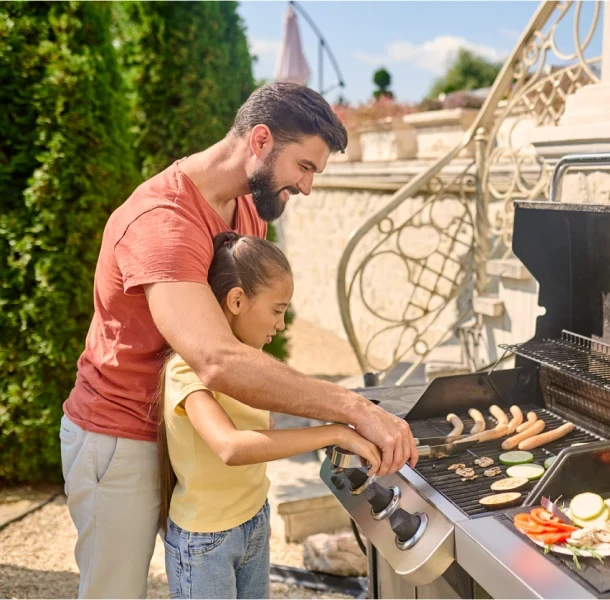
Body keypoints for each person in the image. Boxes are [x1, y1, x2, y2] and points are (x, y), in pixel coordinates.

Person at [59, 82, 417, 599]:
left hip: (186, 435)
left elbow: (243, 332)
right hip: (121, 438)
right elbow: (216, 359)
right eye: (305, 167)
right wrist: (351, 409)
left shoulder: (246, 212)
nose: (308, 187)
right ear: (262, 140)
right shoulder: (163, 221)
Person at [159, 231, 380, 599]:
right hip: (206, 540)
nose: (280, 324)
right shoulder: (187, 368)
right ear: (236, 300)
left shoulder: (250, 365)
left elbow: (253, 430)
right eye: (277, 310)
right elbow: (230, 447)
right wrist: (334, 433)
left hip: (254, 519)